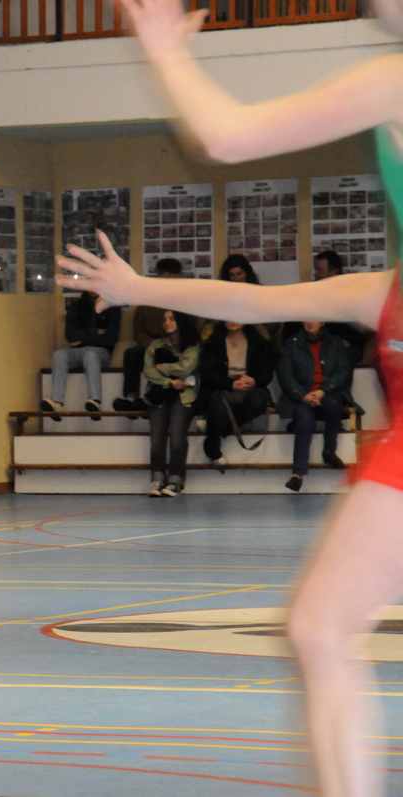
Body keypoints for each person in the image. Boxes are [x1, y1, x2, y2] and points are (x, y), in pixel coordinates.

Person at [54, 0, 403, 790]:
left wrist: (164, 49)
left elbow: (225, 135)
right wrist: (139, 287)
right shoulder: (385, 291)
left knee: (319, 626)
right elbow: (255, 301)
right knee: (319, 625)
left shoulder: (394, 82)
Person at [278, 321, 353, 491]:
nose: (310, 322)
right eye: (306, 318)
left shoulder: (335, 342)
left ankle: (329, 452)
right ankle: (297, 474)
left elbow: (343, 371)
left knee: (334, 406)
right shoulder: (291, 343)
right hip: (301, 396)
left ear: (323, 321)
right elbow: (285, 375)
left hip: (327, 393)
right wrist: (303, 395)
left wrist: (323, 391)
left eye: (314, 318)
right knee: (305, 420)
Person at [199, 321, 274, 468]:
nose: (233, 321)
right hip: (222, 387)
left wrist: (254, 380)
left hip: (249, 386)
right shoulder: (213, 342)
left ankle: (219, 429)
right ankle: (213, 448)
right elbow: (208, 374)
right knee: (217, 402)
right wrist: (230, 384)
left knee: (259, 399)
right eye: (229, 317)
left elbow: (267, 373)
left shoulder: (258, 341)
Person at [114, 258, 182, 412]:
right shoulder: (146, 301)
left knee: (163, 354)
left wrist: (171, 342)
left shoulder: (185, 300)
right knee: (131, 353)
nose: (166, 280)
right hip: (150, 344)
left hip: (175, 346)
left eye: (170, 276)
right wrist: (151, 344)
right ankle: (130, 397)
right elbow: (138, 331)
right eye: (163, 275)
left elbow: (190, 330)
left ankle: (150, 398)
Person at [143, 310, 200, 497]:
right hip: (159, 395)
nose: (167, 322)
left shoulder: (192, 345)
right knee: (156, 439)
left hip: (183, 396)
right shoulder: (156, 345)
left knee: (177, 438)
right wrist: (169, 382)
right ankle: (157, 479)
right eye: (165, 319)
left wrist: (162, 367)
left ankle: (176, 480)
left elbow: (185, 368)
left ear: (181, 321)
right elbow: (149, 371)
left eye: (171, 319)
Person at [41, 291, 121, 419]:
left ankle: (95, 401)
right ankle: (57, 402)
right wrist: (96, 335)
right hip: (78, 351)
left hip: (101, 352)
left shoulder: (112, 305)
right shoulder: (77, 305)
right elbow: (70, 335)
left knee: (90, 354)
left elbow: (111, 338)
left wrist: (83, 338)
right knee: (59, 355)